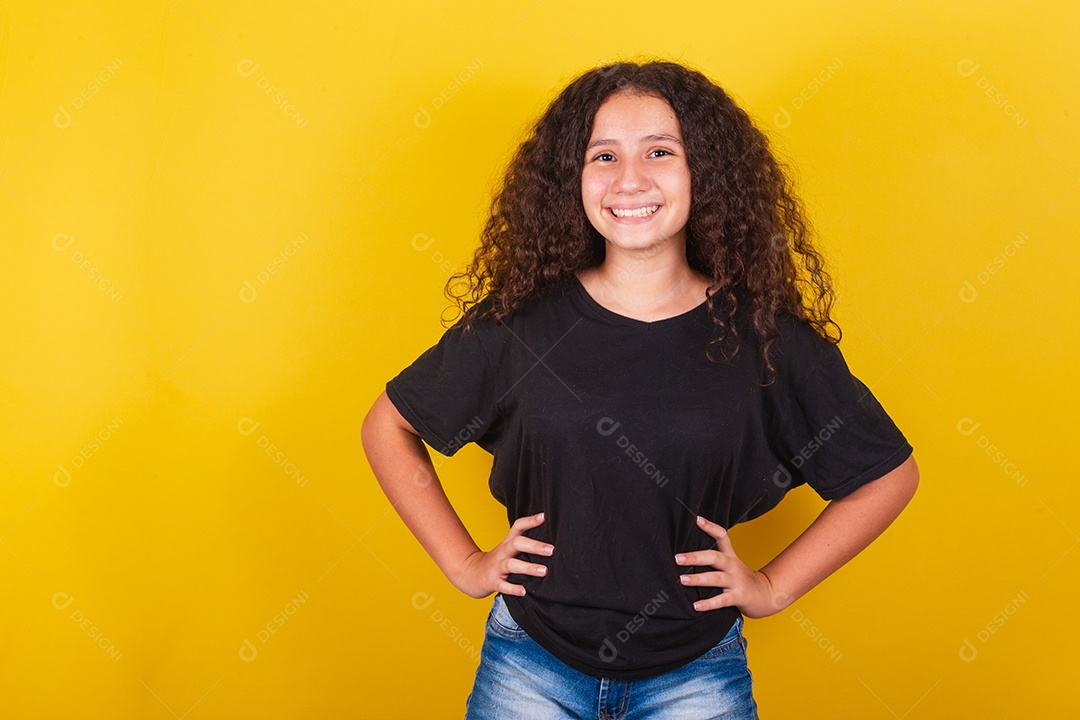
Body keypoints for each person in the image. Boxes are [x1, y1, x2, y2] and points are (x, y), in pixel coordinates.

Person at [361, 60, 919, 719]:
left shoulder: (765, 337)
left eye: (660, 151)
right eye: (604, 155)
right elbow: (388, 426)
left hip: (696, 678)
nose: (631, 180)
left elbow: (888, 475)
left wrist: (772, 587)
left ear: (703, 173)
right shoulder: (520, 325)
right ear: (574, 177)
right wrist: (465, 566)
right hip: (528, 669)